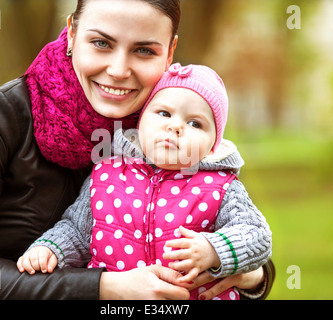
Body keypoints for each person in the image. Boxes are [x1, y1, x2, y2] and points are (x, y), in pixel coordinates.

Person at [0, 0, 274, 300]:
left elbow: (234, 220)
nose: (118, 71)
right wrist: (105, 287)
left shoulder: (173, 119)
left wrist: (246, 273)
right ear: (72, 34)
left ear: (169, 53)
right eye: (102, 43)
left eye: (144, 50)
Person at [17, 63, 272, 300]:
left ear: (212, 145)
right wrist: (51, 249)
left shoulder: (220, 187)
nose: (175, 127)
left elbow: (257, 235)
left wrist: (213, 249)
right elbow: (77, 231)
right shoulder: (105, 176)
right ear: (140, 122)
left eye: (195, 123)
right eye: (163, 113)